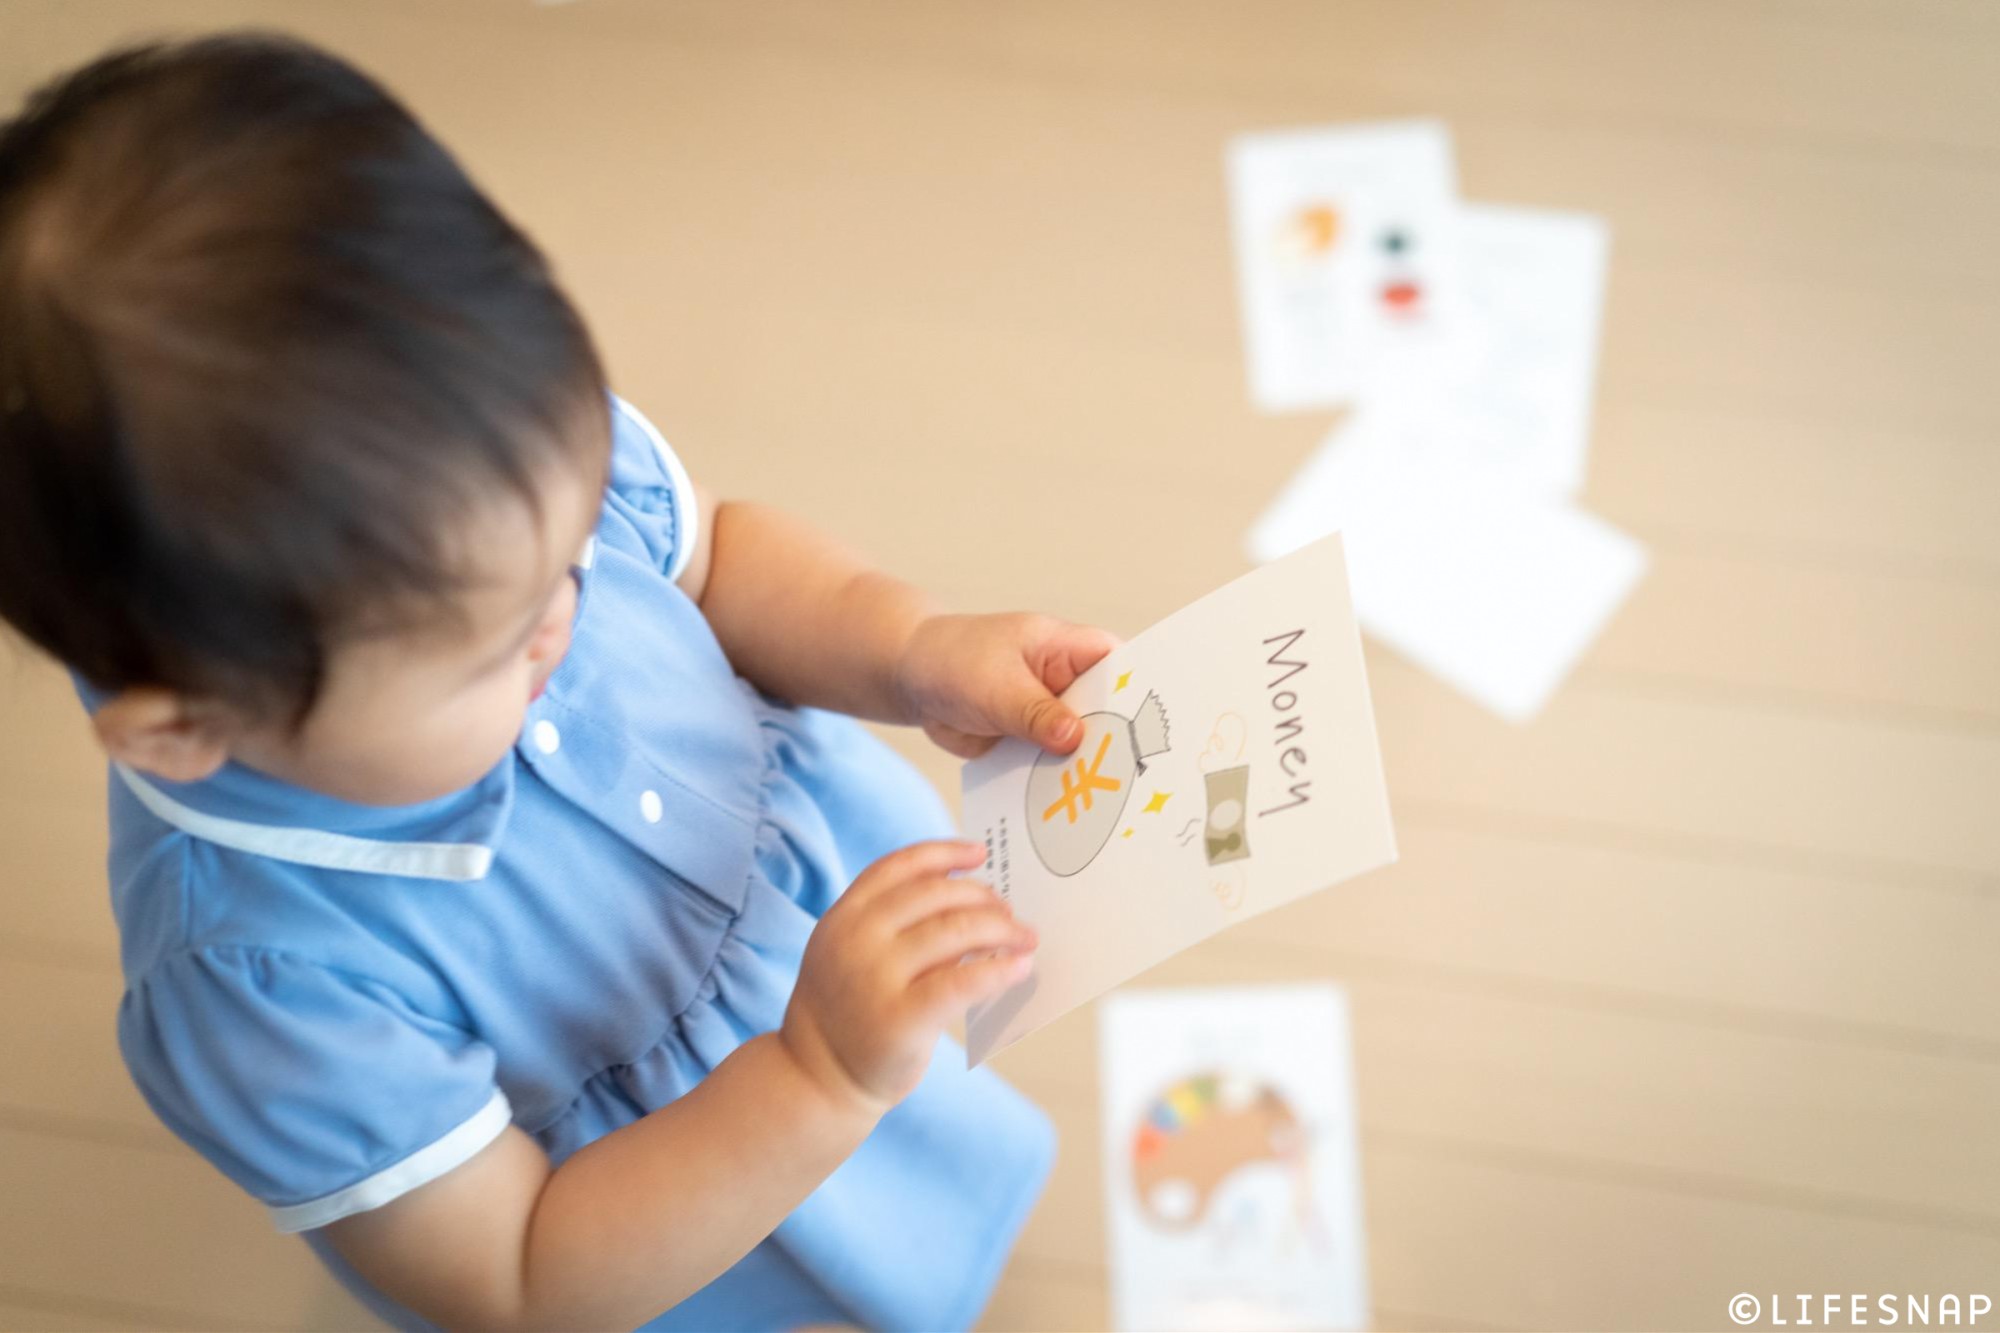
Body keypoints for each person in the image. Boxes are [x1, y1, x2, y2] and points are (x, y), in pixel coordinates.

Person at [0, 33, 1115, 1331]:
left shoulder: (476, 459)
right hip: (686, 1192)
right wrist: (817, 1074)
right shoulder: (261, 980)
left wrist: (909, 645)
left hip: (828, 931)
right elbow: (519, 1273)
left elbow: (714, 557)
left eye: (572, 536)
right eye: (497, 644)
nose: (572, 614)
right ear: (188, 726)